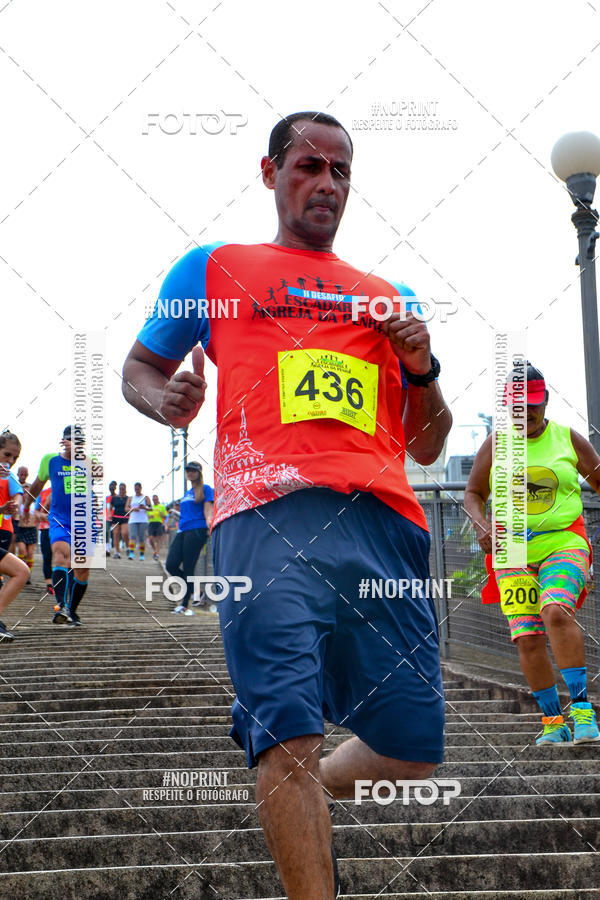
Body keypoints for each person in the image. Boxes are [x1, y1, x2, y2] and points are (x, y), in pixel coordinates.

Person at [122, 110, 451, 898]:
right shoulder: (213, 268)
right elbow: (138, 369)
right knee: (287, 736)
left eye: (341, 172)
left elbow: (432, 444)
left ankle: (300, 789)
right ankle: (290, 778)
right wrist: (165, 397)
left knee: (413, 751)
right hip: (265, 519)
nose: (326, 183)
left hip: (386, 527)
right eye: (309, 166)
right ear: (271, 173)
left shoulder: (387, 298)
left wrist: (421, 367)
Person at [465, 362, 600, 745]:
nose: (528, 413)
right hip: (513, 550)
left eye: (534, 404)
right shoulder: (495, 444)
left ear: (546, 401)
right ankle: (552, 723)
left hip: (564, 542)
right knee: (527, 637)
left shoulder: (568, 439)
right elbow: (473, 493)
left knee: (555, 609)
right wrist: (481, 524)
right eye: (519, 406)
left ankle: (582, 711)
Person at [22, 425, 101, 626]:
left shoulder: (89, 460)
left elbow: (99, 474)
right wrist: (26, 507)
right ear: (63, 441)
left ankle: (72, 611)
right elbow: (37, 486)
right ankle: (61, 605)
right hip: (60, 519)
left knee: (82, 569)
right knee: (60, 555)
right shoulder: (50, 460)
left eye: (79, 442)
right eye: (71, 440)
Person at [165, 463, 214, 615]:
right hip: (182, 530)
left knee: (188, 568)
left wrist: (209, 524)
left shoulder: (205, 489)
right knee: (171, 564)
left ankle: (185, 605)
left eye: (193, 470)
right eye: (188, 470)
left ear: (199, 473)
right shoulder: (187, 492)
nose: (190, 473)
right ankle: (196, 590)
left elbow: (208, 510)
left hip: (197, 530)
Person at [0, 433, 30, 639]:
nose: (10, 461)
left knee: (20, 571)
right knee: (21, 571)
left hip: (3, 530)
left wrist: (14, 506)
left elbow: (18, 494)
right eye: (6, 455)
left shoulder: (7, 475)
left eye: (14, 458)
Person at [34, 486, 53, 595]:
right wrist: (43, 515)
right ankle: (49, 585)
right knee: (47, 557)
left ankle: (65, 583)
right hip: (46, 528)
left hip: (63, 529)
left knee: (64, 557)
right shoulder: (44, 493)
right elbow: (36, 512)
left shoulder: (69, 489)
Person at [126, 483, 151, 560]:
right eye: (135, 488)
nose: (136, 490)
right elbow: (126, 509)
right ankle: (131, 553)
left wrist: (144, 508)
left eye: (138, 488)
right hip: (133, 520)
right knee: (132, 536)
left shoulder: (145, 497)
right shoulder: (131, 498)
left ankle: (141, 554)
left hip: (143, 520)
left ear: (141, 488)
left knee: (141, 538)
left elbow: (151, 508)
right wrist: (133, 509)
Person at [110, 483, 129, 558]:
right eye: (120, 488)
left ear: (125, 489)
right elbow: (110, 508)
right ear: (119, 489)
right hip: (115, 517)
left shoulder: (128, 498)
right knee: (116, 535)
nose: (122, 490)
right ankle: (117, 552)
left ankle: (128, 547)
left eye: (123, 489)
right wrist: (109, 515)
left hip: (125, 518)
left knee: (124, 533)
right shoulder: (114, 498)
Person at [147, 493, 168, 560]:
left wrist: (162, 515)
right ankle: (155, 551)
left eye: (156, 499)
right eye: (154, 499)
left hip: (159, 523)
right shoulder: (150, 507)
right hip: (151, 523)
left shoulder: (162, 506)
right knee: (151, 539)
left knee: (159, 539)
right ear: (152, 500)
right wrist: (149, 516)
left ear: (158, 499)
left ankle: (157, 553)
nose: (155, 500)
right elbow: (146, 516)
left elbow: (166, 516)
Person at [105, 481, 117, 556]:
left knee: (116, 534)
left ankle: (116, 550)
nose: (111, 488)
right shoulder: (107, 498)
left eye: (113, 487)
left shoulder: (117, 497)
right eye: (110, 487)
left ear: (115, 488)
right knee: (106, 532)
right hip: (108, 518)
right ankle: (107, 550)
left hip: (116, 518)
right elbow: (105, 508)